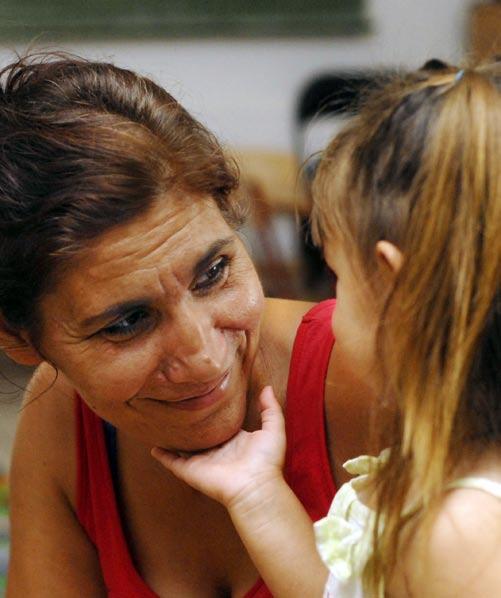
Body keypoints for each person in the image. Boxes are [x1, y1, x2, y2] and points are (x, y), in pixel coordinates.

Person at [1, 53, 376, 596]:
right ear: (20, 339)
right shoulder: (64, 417)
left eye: (214, 272)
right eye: (128, 322)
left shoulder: (367, 373)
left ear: (229, 210)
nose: (202, 356)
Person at [153, 60, 501, 597]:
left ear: (395, 291)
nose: (328, 310)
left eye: (338, 279)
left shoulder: (466, 538)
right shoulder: (449, 468)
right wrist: (256, 494)